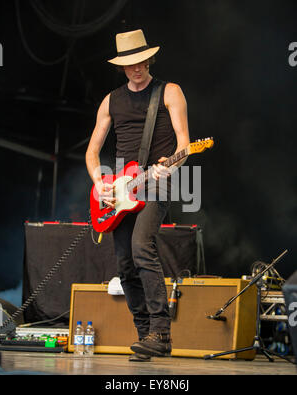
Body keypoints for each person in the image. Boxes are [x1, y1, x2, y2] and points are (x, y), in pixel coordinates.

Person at [86, 29, 190, 361]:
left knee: (142, 247)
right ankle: (145, 335)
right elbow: (92, 151)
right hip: (120, 189)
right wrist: (100, 182)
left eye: (141, 62)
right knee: (125, 265)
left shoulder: (170, 92)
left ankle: (162, 332)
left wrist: (169, 168)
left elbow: (185, 145)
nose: (137, 68)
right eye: (130, 64)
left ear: (149, 59)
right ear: (122, 67)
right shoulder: (110, 100)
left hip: (155, 180)